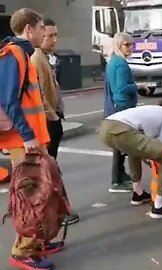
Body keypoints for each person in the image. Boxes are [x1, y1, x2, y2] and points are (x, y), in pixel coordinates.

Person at [0, 8, 62, 270]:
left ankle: (36, 242)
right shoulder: (15, 54)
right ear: (29, 29)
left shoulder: (23, 54)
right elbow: (9, 100)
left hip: (33, 138)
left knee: (43, 191)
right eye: (40, 28)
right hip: (23, 140)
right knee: (31, 196)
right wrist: (27, 136)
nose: (43, 32)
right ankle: (22, 251)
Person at [98, 105, 162, 219]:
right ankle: (159, 207)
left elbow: (147, 152)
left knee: (135, 151)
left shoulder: (158, 117)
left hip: (106, 128)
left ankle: (138, 193)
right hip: (120, 129)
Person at [30, 17, 80, 226]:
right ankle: (55, 213)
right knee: (48, 172)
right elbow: (39, 93)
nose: (53, 40)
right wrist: (53, 116)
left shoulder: (45, 57)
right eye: (49, 35)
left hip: (52, 120)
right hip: (47, 122)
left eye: (55, 35)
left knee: (50, 170)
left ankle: (57, 211)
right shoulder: (37, 59)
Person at [103, 32, 150, 193]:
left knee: (119, 145)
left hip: (114, 107)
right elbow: (120, 89)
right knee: (123, 144)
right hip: (122, 108)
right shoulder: (121, 64)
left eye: (132, 45)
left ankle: (120, 176)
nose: (131, 48)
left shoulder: (113, 61)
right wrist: (139, 86)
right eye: (127, 45)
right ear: (118, 45)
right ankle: (117, 180)